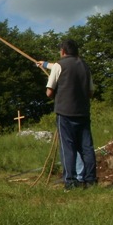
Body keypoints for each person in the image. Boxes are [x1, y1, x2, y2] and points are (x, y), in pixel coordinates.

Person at [41, 39, 97, 189]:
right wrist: (44, 64)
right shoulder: (85, 66)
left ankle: (70, 181)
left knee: (68, 148)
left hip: (65, 113)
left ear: (63, 51)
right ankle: (91, 180)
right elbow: (91, 92)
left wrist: (60, 94)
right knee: (87, 147)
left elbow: (49, 92)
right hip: (83, 113)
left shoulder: (60, 65)